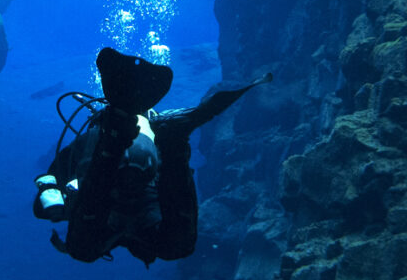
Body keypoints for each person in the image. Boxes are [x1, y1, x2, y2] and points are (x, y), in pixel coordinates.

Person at [33, 47, 272, 266]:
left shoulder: (85, 141)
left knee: (82, 249)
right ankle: (175, 146)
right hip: (148, 210)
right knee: (177, 245)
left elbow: (44, 197)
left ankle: (113, 146)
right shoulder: (152, 134)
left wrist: (59, 206)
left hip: (106, 211)